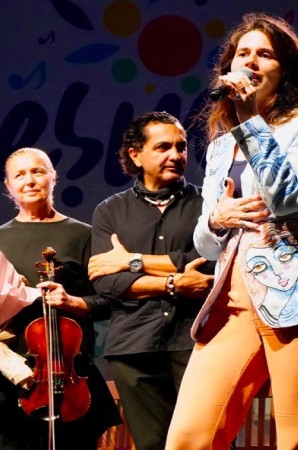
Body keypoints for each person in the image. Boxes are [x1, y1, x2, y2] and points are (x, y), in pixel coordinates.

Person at [165, 13, 298, 449]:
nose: (250, 61)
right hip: (232, 304)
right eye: (242, 54)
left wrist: (249, 121)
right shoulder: (222, 145)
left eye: (265, 54)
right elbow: (204, 244)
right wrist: (217, 219)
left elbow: (287, 197)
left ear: (284, 69)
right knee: (188, 438)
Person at [0, 147, 121, 450]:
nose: (29, 180)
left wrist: (71, 301)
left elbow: (110, 302)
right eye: (19, 175)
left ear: (53, 177)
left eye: (37, 171)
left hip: (65, 376)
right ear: (8, 185)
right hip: (4, 373)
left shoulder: (84, 235)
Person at [87, 111, 215, 450]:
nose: (175, 155)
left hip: (197, 342)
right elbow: (107, 282)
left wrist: (133, 262)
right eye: (162, 147)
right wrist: (175, 284)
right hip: (133, 347)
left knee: (209, 441)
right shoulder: (110, 211)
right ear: (135, 155)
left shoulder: (208, 205)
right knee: (152, 444)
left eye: (181, 147)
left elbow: (209, 266)